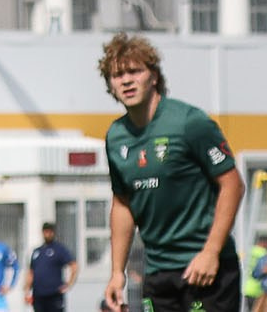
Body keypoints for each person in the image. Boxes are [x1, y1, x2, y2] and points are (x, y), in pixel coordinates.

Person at [97, 34, 243, 312]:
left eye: (134, 71)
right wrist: (118, 272)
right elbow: (122, 204)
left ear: (153, 77)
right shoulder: (115, 137)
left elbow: (233, 185)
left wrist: (210, 252)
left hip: (206, 269)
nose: (126, 80)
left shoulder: (189, 122)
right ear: (110, 85)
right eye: (117, 75)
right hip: (158, 273)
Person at [27, 223, 75, 312]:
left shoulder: (59, 249)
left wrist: (69, 283)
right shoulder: (37, 251)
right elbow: (31, 272)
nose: (48, 234)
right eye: (46, 231)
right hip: (38, 295)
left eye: (50, 231)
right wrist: (27, 291)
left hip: (54, 295)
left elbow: (74, 266)